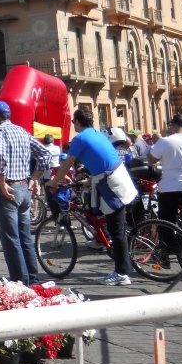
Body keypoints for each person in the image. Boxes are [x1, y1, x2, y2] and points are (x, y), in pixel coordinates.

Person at [47, 108, 138, 286]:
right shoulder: (97, 133)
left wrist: (54, 182)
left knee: (116, 229)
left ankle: (121, 273)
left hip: (112, 183)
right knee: (110, 223)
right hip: (114, 178)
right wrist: (87, 176)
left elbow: (66, 165)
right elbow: (100, 157)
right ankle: (103, 245)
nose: (74, 125)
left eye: (74, 122)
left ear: (78, 122)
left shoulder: (80, 138)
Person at [0, 101, 52, 286]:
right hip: (23, 187)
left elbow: (0, 156)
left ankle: (20, 282)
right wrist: (35, 177)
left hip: (8, 188)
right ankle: (33, 279)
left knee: (11, 239)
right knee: (25, 237)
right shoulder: (22, 131)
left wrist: (1, 182)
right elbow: (45, 154)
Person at [147, 114, 182, 238]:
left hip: (169, 187)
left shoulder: (165, 141)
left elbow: (151, 160)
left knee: (166, 221)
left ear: (172, 126)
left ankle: (166, 250)